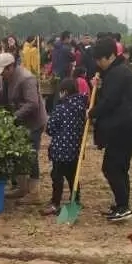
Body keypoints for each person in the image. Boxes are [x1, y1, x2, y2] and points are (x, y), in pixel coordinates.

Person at [90, 36, 132, 222]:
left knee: (112, 167)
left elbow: (110, 101)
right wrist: (100, 87)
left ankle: (123, 207)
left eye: (100, 60)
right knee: (120, 166)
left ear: (110, 56)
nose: (98, 64)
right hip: (131, 123)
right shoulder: (121, 69)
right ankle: (122, 204)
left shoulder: (118, 73)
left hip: (127, 125)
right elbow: (111, 95)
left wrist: (91, 113)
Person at [0, 51, 48, 202]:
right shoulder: (7, 78)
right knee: (19, 152)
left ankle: (34, 192)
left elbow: (32, 104)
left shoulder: (26, 79)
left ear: (10, 67)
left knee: (30, 154)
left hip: (34, 122)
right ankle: (22, 188)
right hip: (21, 122)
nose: (1, 75)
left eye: (3, 71)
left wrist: (13, 117)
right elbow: (2, 95)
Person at [41, 78, 88, 217]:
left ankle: (55, 203)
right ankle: (76, 200)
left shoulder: (61, 108)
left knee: (57, 176)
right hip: (75, 150)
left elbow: (50, 128)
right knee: (73, 176)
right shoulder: (82, 108)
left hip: (60, 150)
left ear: (64, 92)